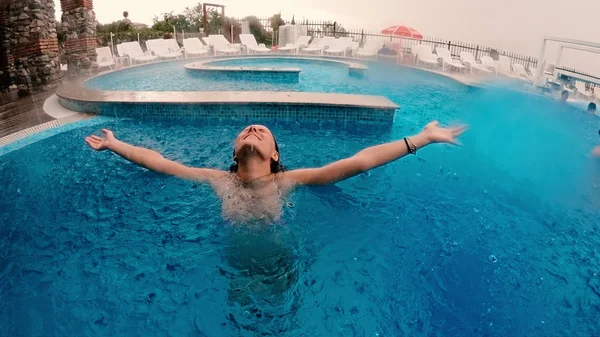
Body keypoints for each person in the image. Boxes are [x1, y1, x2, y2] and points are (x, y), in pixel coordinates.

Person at [85, 121, 466, 222]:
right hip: (234, 268)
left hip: (280, 266)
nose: (253, 130)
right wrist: (115, 144)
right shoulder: (219, 179)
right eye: (247, 130)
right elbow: (162, 163)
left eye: (262, 131)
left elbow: (358, 162)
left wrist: (423, 137)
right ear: (235, 152)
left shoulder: (289, 180)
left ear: (275, 154)